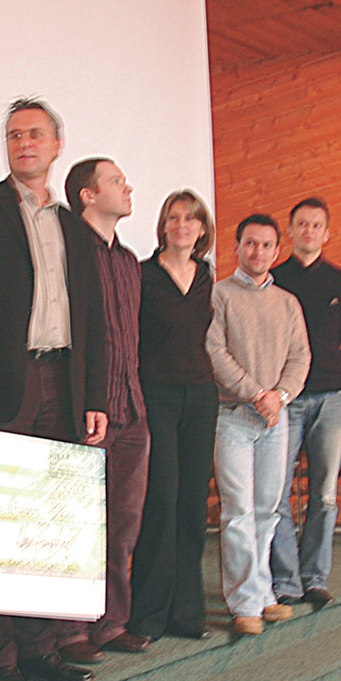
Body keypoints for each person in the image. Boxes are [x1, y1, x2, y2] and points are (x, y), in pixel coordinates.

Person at [0, 98, 108, 681]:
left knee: (47, 523)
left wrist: (94, 395)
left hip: (63, 383)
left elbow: (93, 320)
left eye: (35, 134)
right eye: (14, 135)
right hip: (1, 387)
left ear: (57, 145)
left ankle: (41, 650)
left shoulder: (75, 228)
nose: (24, 143)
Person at [57, 158, 152, 662]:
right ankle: (70, 630)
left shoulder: (129, 261)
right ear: (88, 195)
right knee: (78, 524)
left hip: (132, 409)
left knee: (122, 525)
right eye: (116, 181)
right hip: (89, 412)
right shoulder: (69, 253)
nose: (127, 186)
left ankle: (110, 623)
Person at [206, 214, 310, 636]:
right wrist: (256, 394)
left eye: (267, 245)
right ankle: (244, 603)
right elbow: (215, 353)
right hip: (233, 416)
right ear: (236, 247)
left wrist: (279, 397)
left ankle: (263, 592)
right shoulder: (219, 295)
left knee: (268, 509)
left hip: (275, 420)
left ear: (277, 251)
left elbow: (300, 357)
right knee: (238, 512)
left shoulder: (287, 303)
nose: (258, 252)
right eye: (250, 243)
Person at [270, 197, 341, 606]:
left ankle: (314, 578)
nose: (309, 231)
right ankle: (286, 581)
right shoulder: (274, 280)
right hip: (286, 400)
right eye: (302, 224)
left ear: (326, 234)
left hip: (331, 400)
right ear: (290, 231)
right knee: (277, 494)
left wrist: (334, 366)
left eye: (316, 225)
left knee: (325, 494)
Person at [126, 190, 218, 642]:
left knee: (192, 505)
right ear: (163, 226)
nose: (181, 225)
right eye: (174, 217)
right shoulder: (142, 275)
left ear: (202, 229)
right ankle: (148, 616)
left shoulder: (207, 277)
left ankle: (187, 614)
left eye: (190, 219)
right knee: (161, 501)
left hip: (200, 397)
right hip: (156, 396)